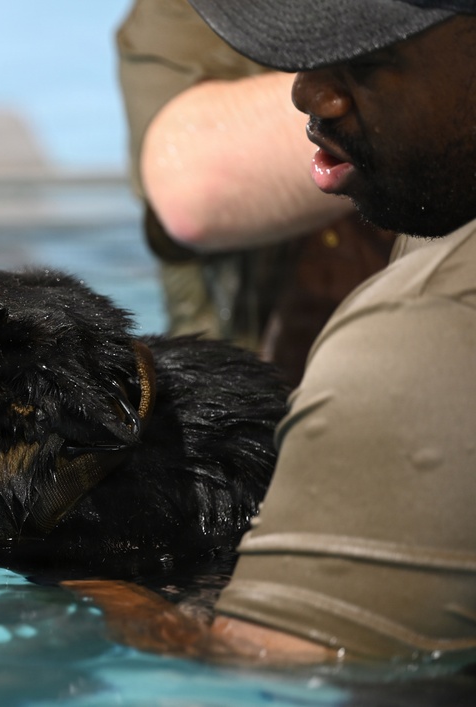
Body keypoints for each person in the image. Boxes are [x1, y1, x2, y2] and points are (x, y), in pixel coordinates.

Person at [70, 0, 476, 662]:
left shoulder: (419, 340)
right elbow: (188, 176)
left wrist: (60, 566)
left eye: (372, 57)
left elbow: (244, 675)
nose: (305, 91)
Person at [116, 0, 396, 386]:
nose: (310, 95)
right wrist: (422, 76)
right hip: (246, 402)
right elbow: (193, 188)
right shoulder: (183, 12)